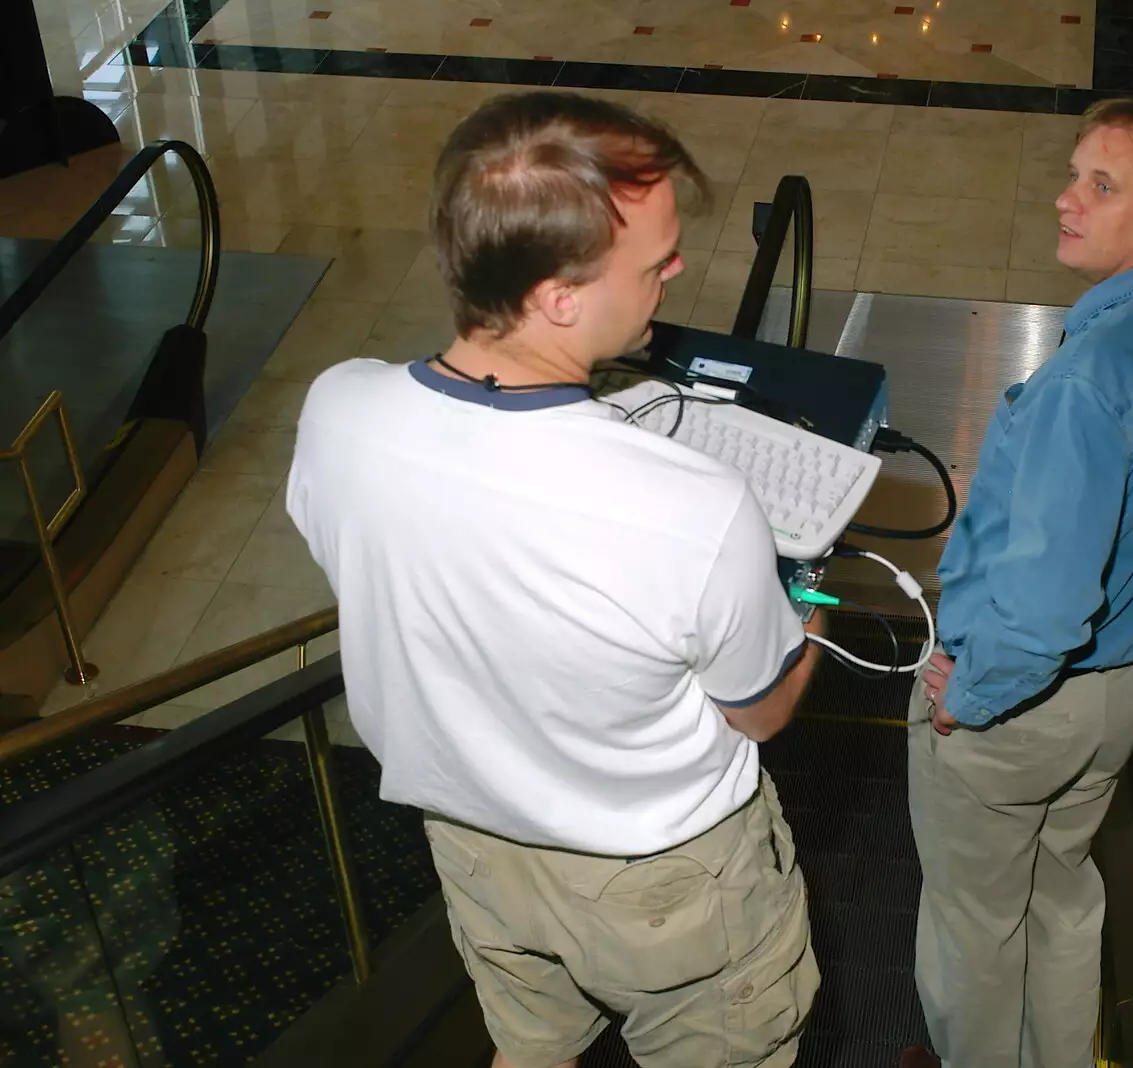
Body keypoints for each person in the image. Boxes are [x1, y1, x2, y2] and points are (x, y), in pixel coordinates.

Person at [287, 91, 823, 1068]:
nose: (677, 271)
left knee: (530, 1053)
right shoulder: (692, 507)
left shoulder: (336, 409)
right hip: (669, 883)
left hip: (472, 846)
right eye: (657, 260)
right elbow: (762, 710)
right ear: (560, 298)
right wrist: (806, 597)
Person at [901, 99, 1133, 1068]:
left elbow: (1046, 604)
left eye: (1100, 186)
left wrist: (966, 700)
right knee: (1064, 893)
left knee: (974, 922)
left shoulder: (1087, 382)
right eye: (1073, 176)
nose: (1065, 201)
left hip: (1020, 704)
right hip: (1121, 697)